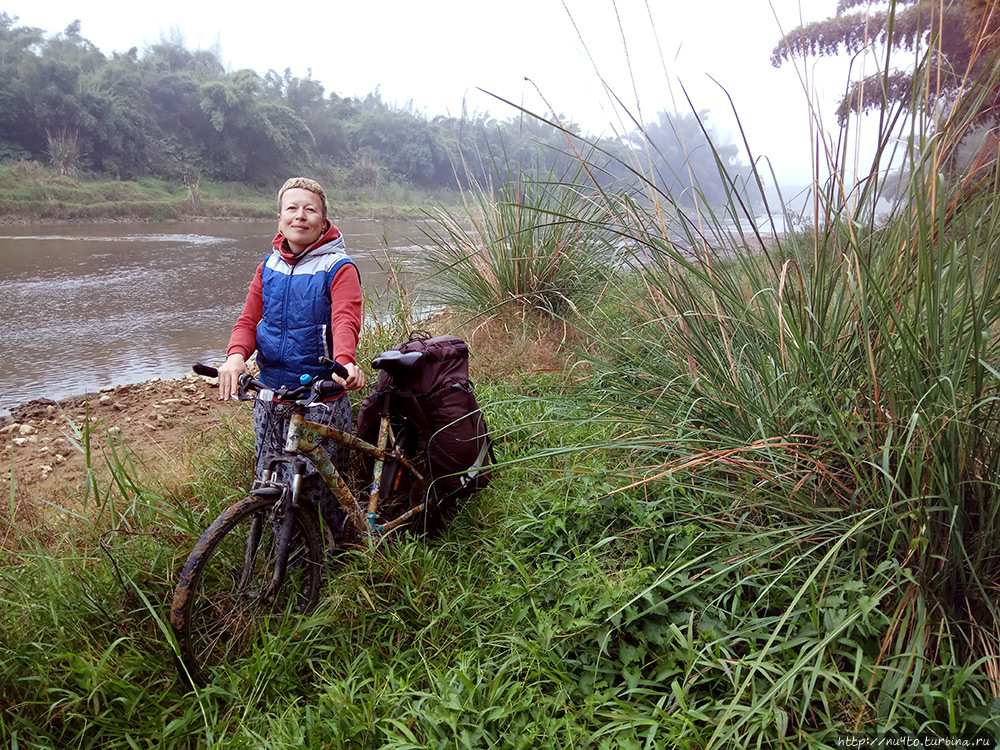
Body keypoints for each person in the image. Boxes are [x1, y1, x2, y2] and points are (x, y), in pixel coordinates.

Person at [217, 177, 364, 540]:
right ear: (279, 218)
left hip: (319, 396)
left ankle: (334, 556)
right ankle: (287, 557)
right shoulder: (268, 266)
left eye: (310, 209)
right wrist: (235, 358)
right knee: (269, 478)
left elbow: (346, 318)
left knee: (319, 487)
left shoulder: (338, 267)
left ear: (323, 220)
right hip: (270, 394)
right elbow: (249, 320)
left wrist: (345, 362)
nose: (301, 216)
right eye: (292, 208)